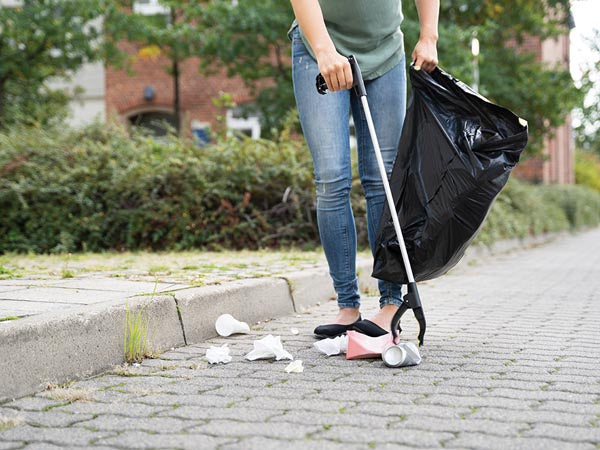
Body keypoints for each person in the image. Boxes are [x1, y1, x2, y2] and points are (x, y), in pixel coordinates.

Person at [287, 0, 439, 338]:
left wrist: (429, 34)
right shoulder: (320, 48)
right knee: (331, 178)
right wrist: (324, 49)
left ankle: (390, 304)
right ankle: (347, 307)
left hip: (384, 48)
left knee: (383, 178)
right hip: (319, 47)